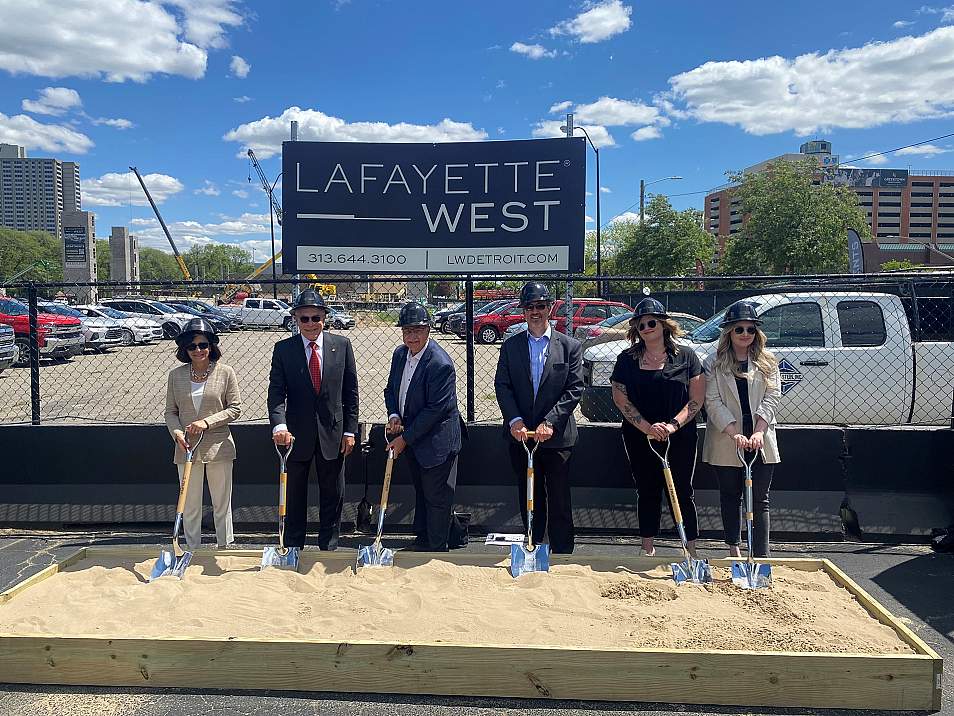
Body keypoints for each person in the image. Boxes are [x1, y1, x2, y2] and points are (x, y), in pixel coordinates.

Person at [494, 282, 584, 554]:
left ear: (550, 308)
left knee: (559, 498)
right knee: (529, 497)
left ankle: (562, 553)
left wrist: (550, 423)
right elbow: (503, 386)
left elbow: (574, 387)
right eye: (530, 307)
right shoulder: (511, 347)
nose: (535, 312)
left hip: (556, 439)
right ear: (523, 311)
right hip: (522, 437)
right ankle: (533, 547)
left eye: (540, 306)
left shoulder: (570, 346)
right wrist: (515, 421)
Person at [610, 298, 705, 556]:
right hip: (640, 435)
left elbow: (696, 398)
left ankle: (690, 549)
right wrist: (647, 428)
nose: (647, 327)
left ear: (664, 324)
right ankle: (647, 548)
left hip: (680, 435)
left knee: (682, 490)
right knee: (647, 489)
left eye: (652, 322)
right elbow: (620, 397)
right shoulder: (627, 359)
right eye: (641, 325)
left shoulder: (686, 356)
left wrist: (673, 426)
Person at [268, 289, 359, 551]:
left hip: (333, 434)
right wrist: (280, 425)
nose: (310, 324)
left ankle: (328, 546)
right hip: (296, 436)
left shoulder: (341, 346)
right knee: (295, 495)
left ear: (324, 318)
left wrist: (350, 431)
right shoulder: (284, 350)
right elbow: (276, 393)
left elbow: (350, 392)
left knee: (333, 494)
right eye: (304, 318)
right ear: (295, 318)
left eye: (316, 318)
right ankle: (293, 546)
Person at [702, 301, 781, 558]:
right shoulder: (713, 362)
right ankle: (734, 548)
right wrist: (733, 432)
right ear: (728, 333)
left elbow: (772, 395)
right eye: (739, 329)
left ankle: (760, 555)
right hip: (727, 438)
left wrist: (758, 431)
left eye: (750, 329)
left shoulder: (768, 361)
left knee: (760, 499)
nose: (745, 334)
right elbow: (712, 400)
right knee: (730, 494)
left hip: (760, 438)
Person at [384, 303, 463, 551]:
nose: (412, 337)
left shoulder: (439, 363)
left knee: (436, 497)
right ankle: (423, 538)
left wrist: (404, 438)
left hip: (437, 441)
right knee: (421, 491)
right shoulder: (400, 355)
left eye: (418, 330)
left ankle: (437, 547)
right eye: (407, 331)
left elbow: (435, 411)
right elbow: (391, 390)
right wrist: (395, 413)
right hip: (414, 436)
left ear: (428, 329)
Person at [163, 317, 243, 550]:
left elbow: (235, 408)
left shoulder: (225, 372)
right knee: (189, 504)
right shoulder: (176, 375)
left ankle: (225, 546)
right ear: (184, 349)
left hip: (219, 446)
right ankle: (192, 549)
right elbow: (170, 412)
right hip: (186, 448)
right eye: (192, 346)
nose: (198, 350)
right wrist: (177, 433)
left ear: (212, 346)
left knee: (221, 502)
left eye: (203, 345)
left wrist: (206, 423)